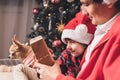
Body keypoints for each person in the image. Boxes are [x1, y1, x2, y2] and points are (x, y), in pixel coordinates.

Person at [33, 0, 120, 80]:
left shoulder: (116, 35)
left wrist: (56, 77)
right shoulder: (101, 30)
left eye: (87, 4)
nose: (84, 12)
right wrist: (52, 68)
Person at [9, 12, 95, 80]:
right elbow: (56, 66)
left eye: (72, 42)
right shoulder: (67, 53)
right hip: (50, 76)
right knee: (19, 68)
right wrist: (45, 64)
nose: (68, 47)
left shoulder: (90, 59)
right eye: (67, 42)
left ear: (85, 43)